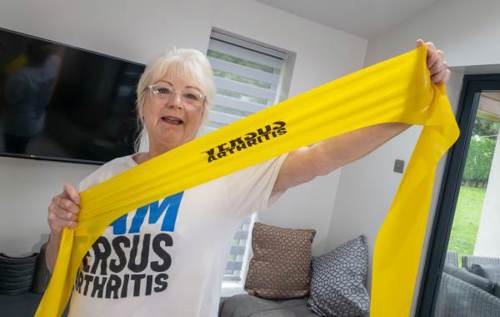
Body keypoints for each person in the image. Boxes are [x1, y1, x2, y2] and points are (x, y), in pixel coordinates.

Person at [45, 39, 450, 316]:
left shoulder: (225, 170)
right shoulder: (101, 180)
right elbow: (57, 267)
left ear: (203, 112)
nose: (175, 102)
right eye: (162, 89)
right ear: (142, 102)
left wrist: (411, 102)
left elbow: (322, 155)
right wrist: (59, 229)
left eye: (191, 95)